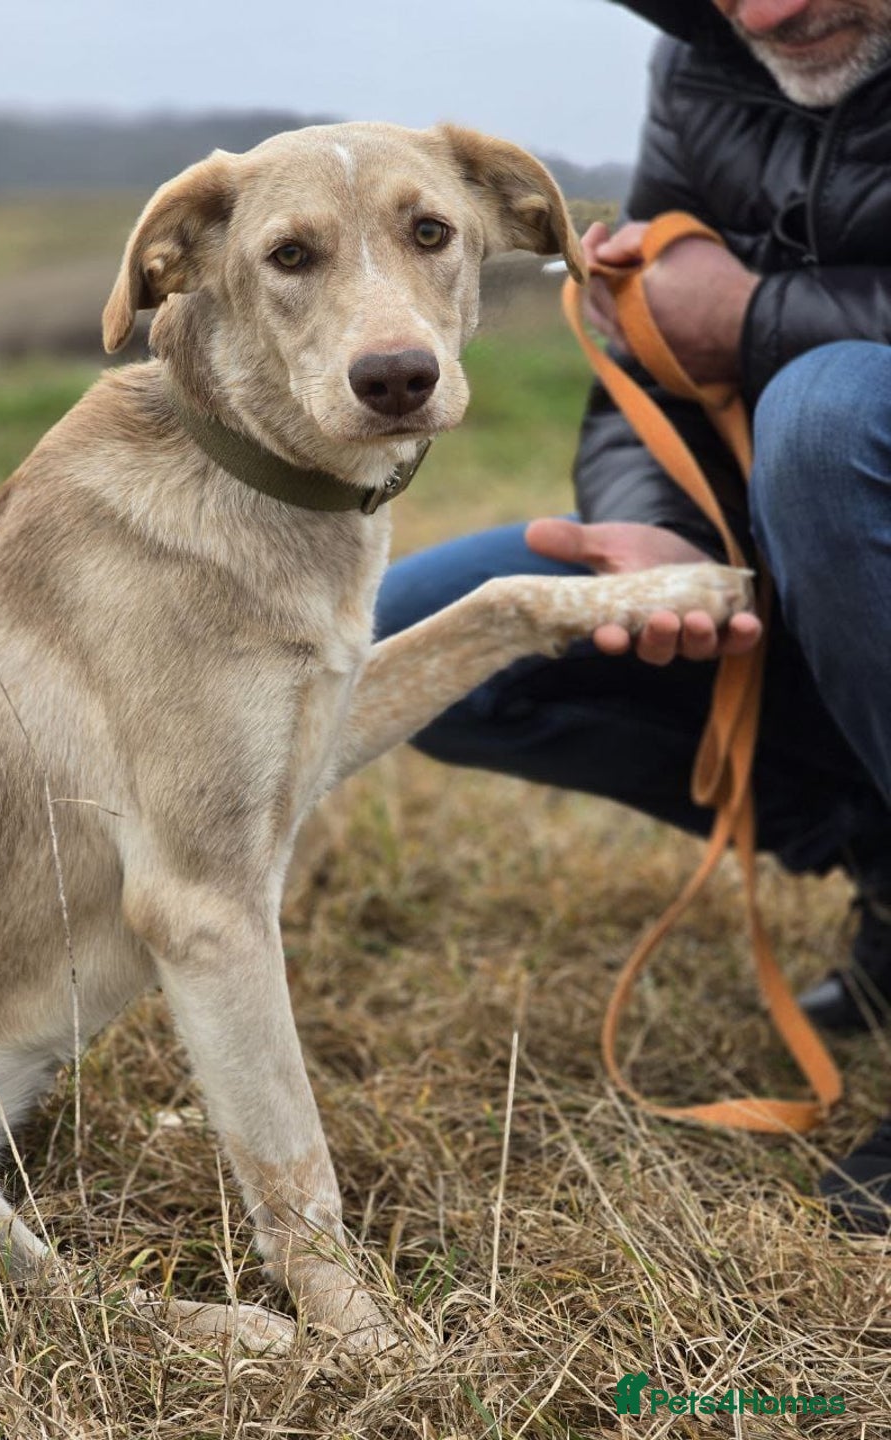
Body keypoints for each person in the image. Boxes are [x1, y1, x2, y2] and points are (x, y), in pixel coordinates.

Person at [375, 0, 891, 1232]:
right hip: (812, 558)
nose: (768, 10)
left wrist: (757, 323)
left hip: (843, 473)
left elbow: (739, 337)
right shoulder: (711, 55)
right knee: (430, 639)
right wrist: (660, 538)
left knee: (825, 417)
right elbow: (639, 361)